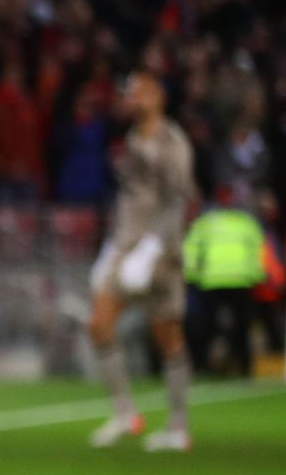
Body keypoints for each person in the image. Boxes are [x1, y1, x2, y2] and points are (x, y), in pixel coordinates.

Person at [88, 69, 197, 451]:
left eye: (141, 93)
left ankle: (178, 426)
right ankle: (125, 413)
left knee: (167, 337)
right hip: (125, 246)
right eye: (130, 93)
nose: (133, 99)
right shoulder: (130, 141)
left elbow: (177, 200)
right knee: (99, 323)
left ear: (158, 96)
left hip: (161, 254)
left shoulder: (172, 141)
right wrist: (110, 248)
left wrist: (151, 249)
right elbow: (129, 201)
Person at [182, 194, 267, 377]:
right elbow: (259, 250)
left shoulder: (209, 222)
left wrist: (192, 275)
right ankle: (225, 366)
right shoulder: (244, 222)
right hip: (230, 280)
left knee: (221, 326)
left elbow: (258, 249)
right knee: (229, 326)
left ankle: (219, 366)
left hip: (223, 281)